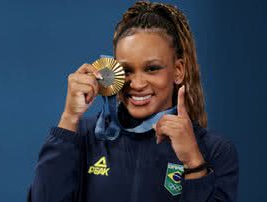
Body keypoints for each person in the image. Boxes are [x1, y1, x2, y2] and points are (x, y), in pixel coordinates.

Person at [28, 1, 239, 202]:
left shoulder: (214, 150)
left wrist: (193, 164)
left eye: (152, 69)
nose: (137, 84)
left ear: (178, 71)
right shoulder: (83, 136)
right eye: (126, 70)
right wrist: (69, 118)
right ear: (112, 72)